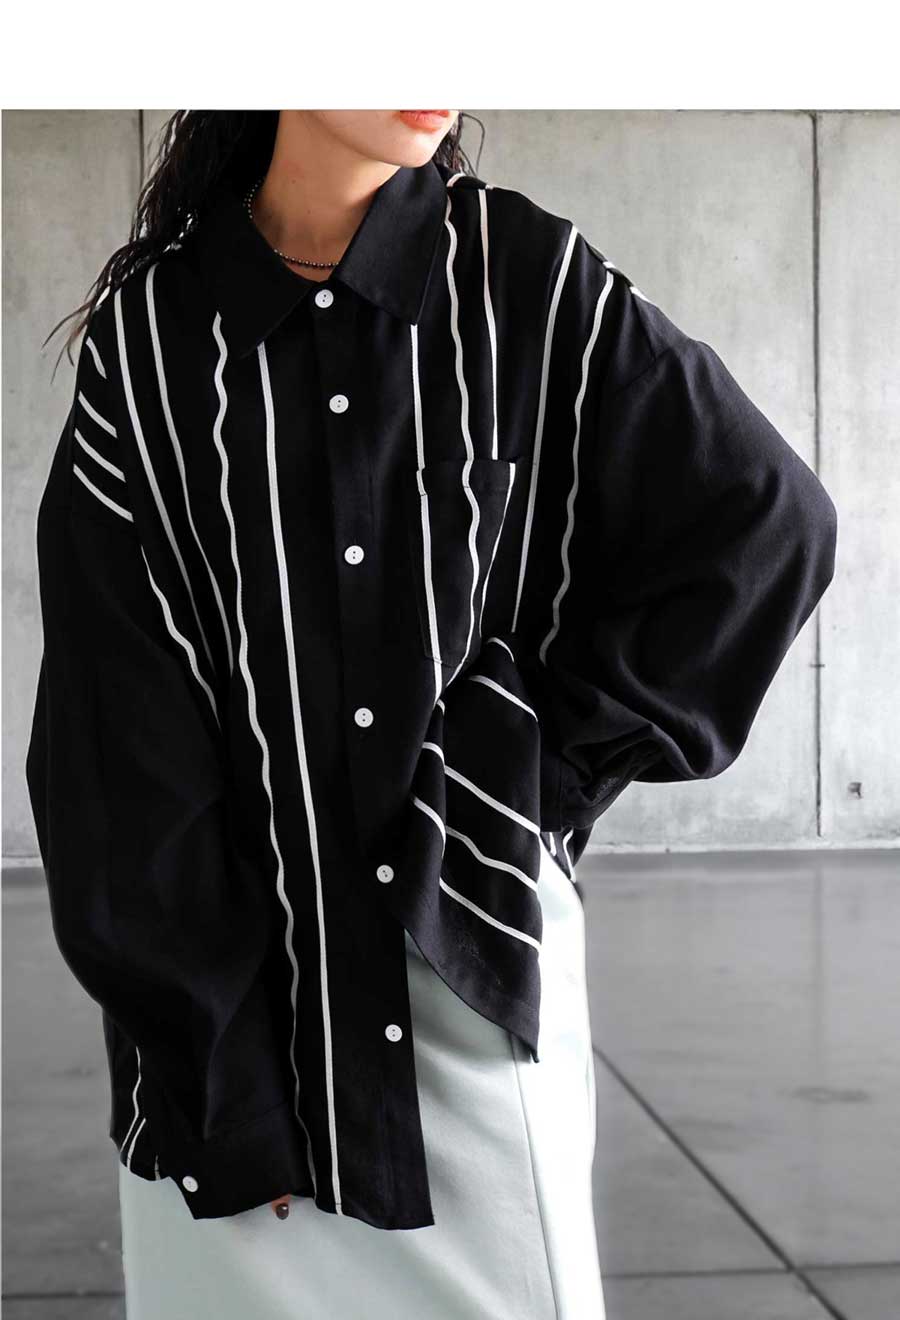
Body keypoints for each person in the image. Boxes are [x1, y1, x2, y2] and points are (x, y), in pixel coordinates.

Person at [26, 109, 837, 1318]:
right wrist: (222, 1079)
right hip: (228, 1025)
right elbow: (116, 748)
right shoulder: (150, 343)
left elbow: (765, 522)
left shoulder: (523, 278)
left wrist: (535, 783)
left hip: (466, 981)